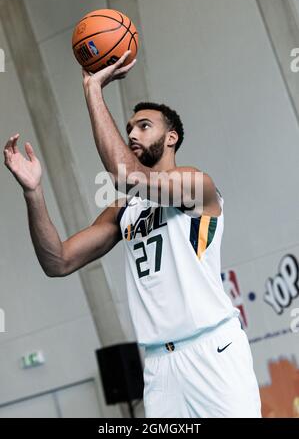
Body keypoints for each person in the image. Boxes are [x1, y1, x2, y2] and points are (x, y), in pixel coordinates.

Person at [3, 51, 261, 418]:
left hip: (214, 348)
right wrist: (33, 192)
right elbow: (57, 261)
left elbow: (127, 175)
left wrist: (93, 89)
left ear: (171, 138)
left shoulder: (198, 185)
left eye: (143, 126)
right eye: (128, 129)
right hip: (159, 365)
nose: (132, 134)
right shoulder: (124, 210)